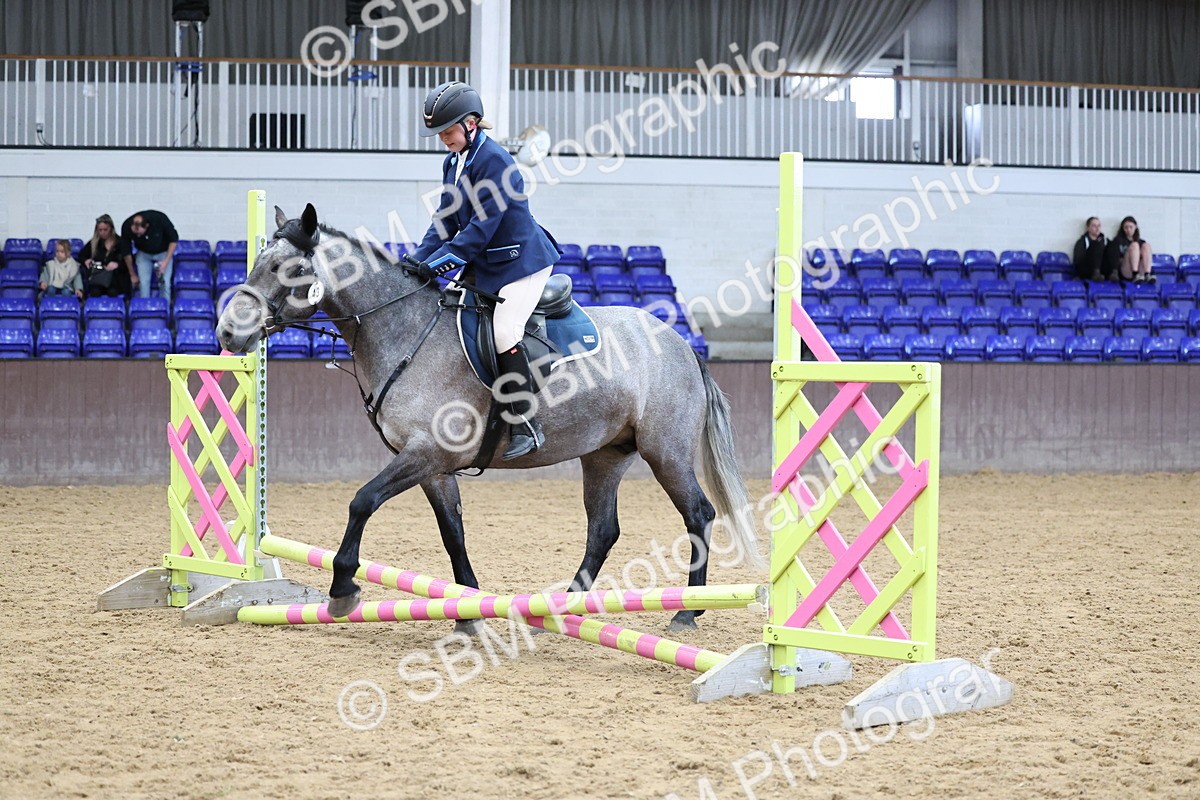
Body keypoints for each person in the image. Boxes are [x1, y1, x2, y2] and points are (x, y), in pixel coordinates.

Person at [410, 81, 563, 461]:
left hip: (520, 262)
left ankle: (525, 421)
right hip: (487, 264)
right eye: (439, 133)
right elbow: (445, 221)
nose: (443, 138)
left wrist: (436, 266)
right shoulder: (453, 162)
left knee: (504, 330)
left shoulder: (495, 160)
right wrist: (414, 261)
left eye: (447, 130)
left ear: (471, 123)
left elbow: (479, 230)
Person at [121, 209, 179, 300]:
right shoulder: (126, 226)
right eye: (135, 234)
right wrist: (132, 274)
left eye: (140, 233)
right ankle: (145, 306)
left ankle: (165, 306)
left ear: (147, 226)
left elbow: (174, 240)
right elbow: (126, 251)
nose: (138, 236)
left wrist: (165, 262)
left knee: (165, 282)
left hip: (163, 252)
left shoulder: (160, 219)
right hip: (143, 253)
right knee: (143, 283)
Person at [79, 214, 132, 299]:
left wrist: (118, 264)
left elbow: (129, 261)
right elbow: (81, 256)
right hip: (98, 279)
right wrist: (86, 260)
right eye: (100, 230)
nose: (103, 232)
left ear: (111, 228)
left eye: (105, 230)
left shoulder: (120, 242)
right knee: (95, 292)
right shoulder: (94, 243)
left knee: (113, 292)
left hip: (116, 279)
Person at [1105, 216, 1155, 284]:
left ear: (1135, 227)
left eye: (1131, 227)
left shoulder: (1141, 242)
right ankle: (1135, 274)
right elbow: (1114, 259)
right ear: (1123, 228)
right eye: (1126, 227)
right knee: (1134, 245)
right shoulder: (1118, 241)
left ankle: (1147, 274)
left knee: (1146, 246)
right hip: (1126, 270)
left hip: (1141, 271)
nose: (1128, 230)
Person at [1072, 217, 1108, 281]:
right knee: (1096, 245)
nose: (1097, 228)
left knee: (1114, 245)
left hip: (1102, 270)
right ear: (1088, 228)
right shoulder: (1082, 242)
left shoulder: (1105, 241)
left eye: (1099, 226)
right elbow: (1078, 262)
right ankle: (1096, 272)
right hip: (1087, 270)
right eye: (1094, 226)